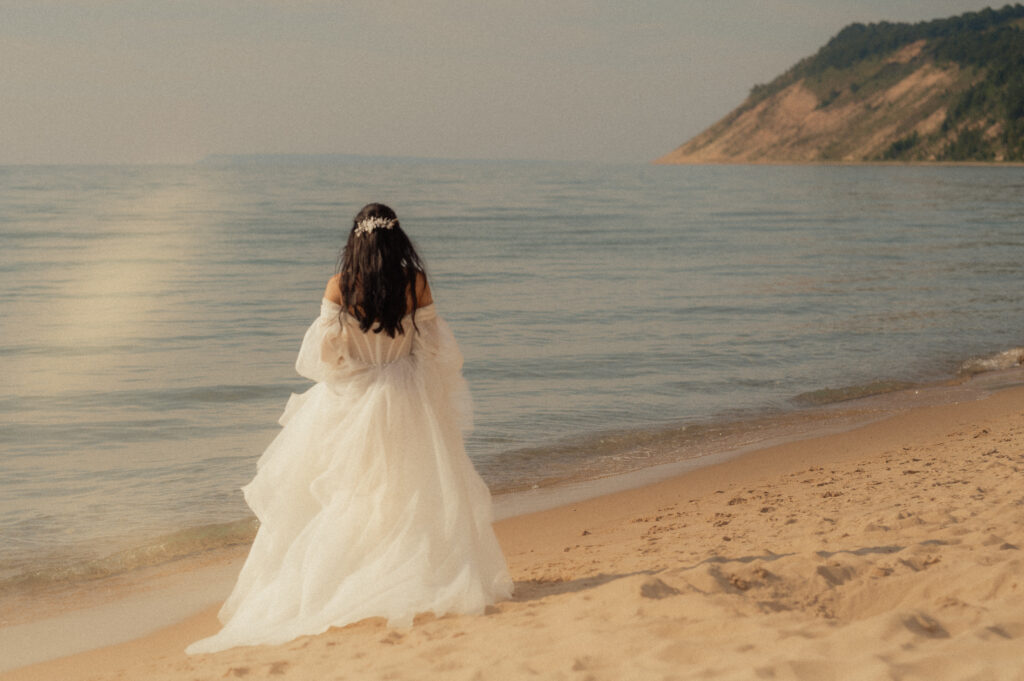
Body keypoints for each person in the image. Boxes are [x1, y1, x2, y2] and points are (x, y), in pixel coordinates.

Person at [186, 203, 513, 654]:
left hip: (351, 400)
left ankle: (347, 580)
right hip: (406, 396)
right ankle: (404, 574)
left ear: (355, 240)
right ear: (397, 239)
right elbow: (437, 351)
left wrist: (359, 365)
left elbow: (321, 359)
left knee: (344, 496)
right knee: (407, 491)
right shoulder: (414, 282)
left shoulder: (340, 286)